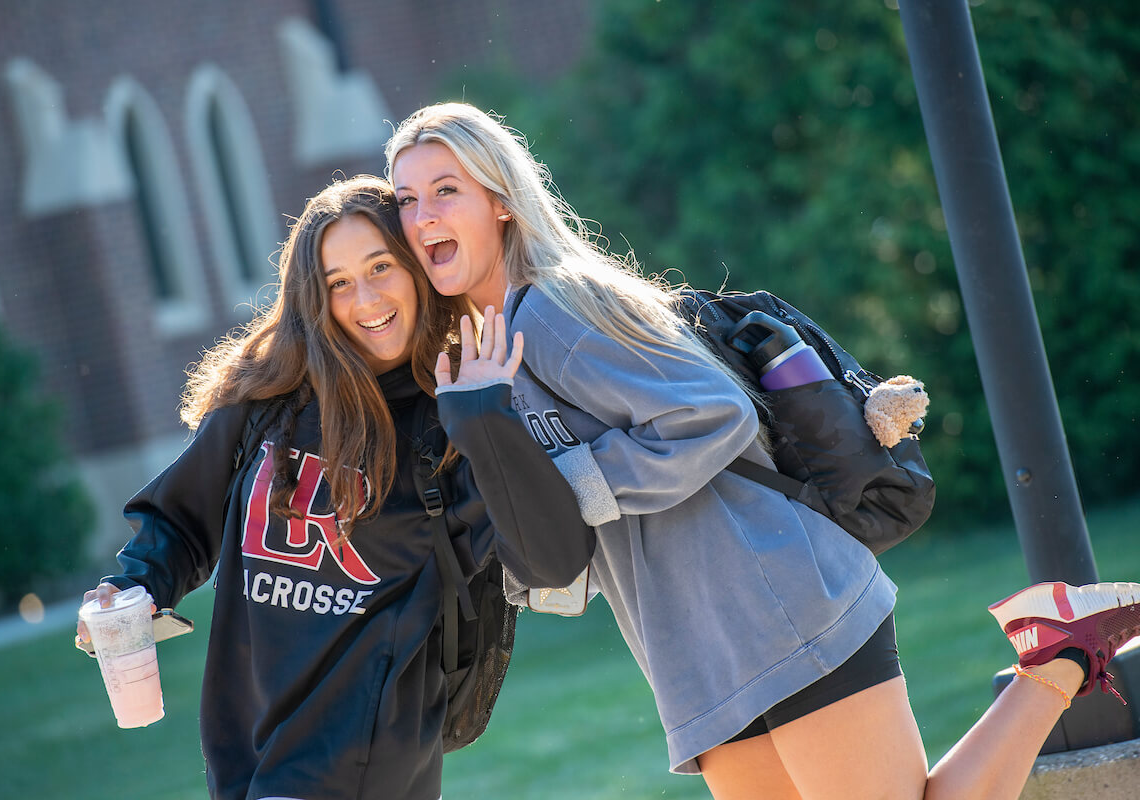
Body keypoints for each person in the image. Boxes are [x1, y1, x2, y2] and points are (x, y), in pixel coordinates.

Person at [386, 102, 1140, 800]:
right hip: (692, 649)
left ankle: (1060, 658)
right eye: (407, 200)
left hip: (774, 598)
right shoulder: (487, 354)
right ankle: (1060, 651)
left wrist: (571, 485)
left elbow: (711, 414)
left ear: (502, 200)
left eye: (446, 190)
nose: (424, 217)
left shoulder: (552, 308)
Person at [74, 175, 592, 800]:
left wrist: (488, 419)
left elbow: (553, 560)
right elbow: (182, 521)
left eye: (381, 267)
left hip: (364, 762)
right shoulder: (267, 397)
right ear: (312, 298)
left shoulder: (452, 415)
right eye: (338, 282)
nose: (365, 298)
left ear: (415, 268)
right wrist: (134, 586)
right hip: (245, 751)